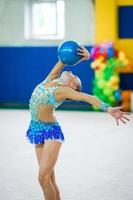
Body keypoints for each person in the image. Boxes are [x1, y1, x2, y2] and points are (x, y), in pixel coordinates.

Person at [26, 46, 130, 200]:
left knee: (42, 178)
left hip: (51, 133)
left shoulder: (64, 91)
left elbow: (87, 98)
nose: (71, 72)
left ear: (72, 86)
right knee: (49, 179)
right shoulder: (51, 79)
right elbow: (64, 60)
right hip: (36, 131)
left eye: (74, 76)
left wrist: (107, 109)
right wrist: (84, 58)